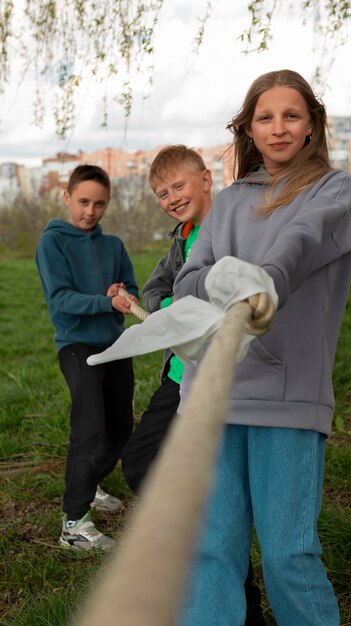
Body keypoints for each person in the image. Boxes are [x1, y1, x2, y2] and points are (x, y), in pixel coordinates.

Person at [173, 70, 351, 625]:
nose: (278, 128)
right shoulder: (226, 203)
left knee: (287, 554)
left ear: (310, 126)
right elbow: (187, 280)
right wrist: (222, 282)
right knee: (210, 551)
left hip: (288, 395)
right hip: (209, 393)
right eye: (265, 117)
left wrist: (261, 280)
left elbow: (299, 244)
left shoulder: (332, 189)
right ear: (249, 129)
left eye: (291, 115)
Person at [121, 144, 266, 626]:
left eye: (178, 186)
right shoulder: (180, 236)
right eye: (162, 193)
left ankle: (239, 604)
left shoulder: (232, 226)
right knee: (142, 462)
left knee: (217, 497)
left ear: (206, 179)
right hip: (178, 377)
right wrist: (165, 308)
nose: (171, 197)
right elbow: (158, 288)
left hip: (221, 379)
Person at [35, 164, 139, 551]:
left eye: (99, 204)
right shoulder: (53, 242)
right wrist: (105, 300)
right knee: (90, 430)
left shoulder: (114, 245)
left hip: (115, 344)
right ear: (67, 196)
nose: (89, 211)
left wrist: (122, 293)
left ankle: (90, 482)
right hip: (77, 345)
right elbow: (60, 298)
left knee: (120, 428)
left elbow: (130, 286)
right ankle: (74, 524)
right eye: (83, 202)